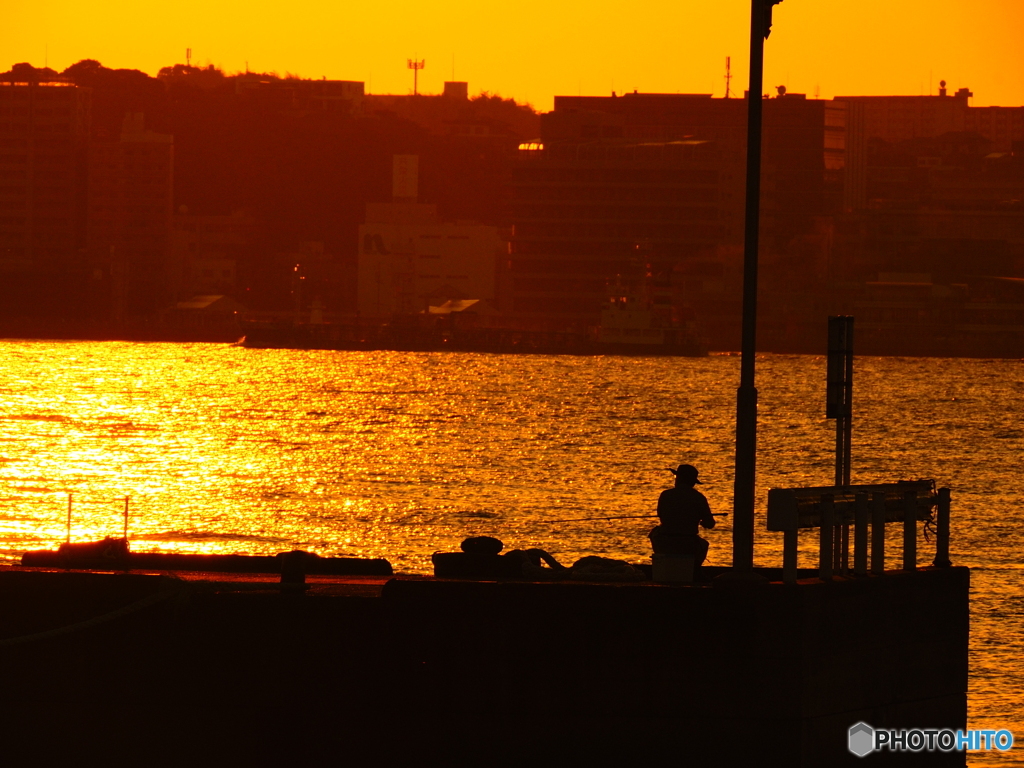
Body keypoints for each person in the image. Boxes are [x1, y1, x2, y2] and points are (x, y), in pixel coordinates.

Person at [649, 464, 716, 569]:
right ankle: (695, 570)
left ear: (679, 478)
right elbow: (710, 524)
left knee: (654, 533)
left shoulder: (665, 495)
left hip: (666, 543)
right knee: (704, 544)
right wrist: (702, 522)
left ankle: (663, 565)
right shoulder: (699, 498)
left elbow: (661, 515)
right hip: (689, 544)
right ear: (693, 483)